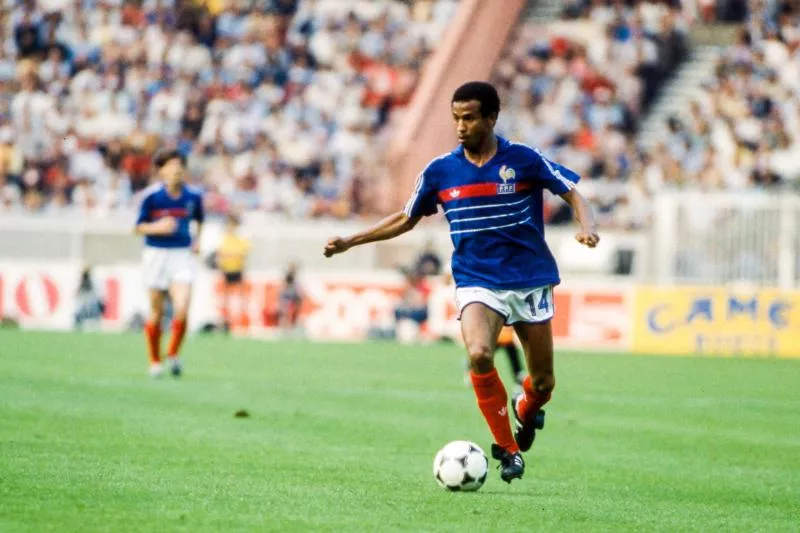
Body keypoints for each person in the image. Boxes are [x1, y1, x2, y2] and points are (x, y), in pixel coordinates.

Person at [324, 81, 599, 483]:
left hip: (529, 278)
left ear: (491, 117)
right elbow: (406, 217)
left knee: (543, 382)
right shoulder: (440, 170)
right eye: (456, 118)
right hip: (477, 279)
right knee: (480, 355)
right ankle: (507, 450)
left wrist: (587, 226)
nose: (460, 126)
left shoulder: (523, 159)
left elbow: (573, 192)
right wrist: (352, 240)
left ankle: (526, 406)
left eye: (469, 117)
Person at [134, 150, 204, 378]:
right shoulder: (152, 196)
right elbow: (137, 227)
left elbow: (199, 220)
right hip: (156, 254)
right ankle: (155, 361)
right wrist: (158, 227)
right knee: (156, 311)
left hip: (181, 254)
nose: (177, 170)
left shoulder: (193, 196)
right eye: (172, 166)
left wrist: (197, 240)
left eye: (180, 165)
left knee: (182, 307)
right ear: (161, 170)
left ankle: (172, 353)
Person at [216, 213, 251, 332]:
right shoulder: (224, 238)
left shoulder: (240, 238)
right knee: (225, 299)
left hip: (238, 269)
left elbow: (243, 253)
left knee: (240, 297)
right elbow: (221, 254)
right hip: (226, 270)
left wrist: (230, 256)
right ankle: (225, 322)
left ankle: (241, 323)